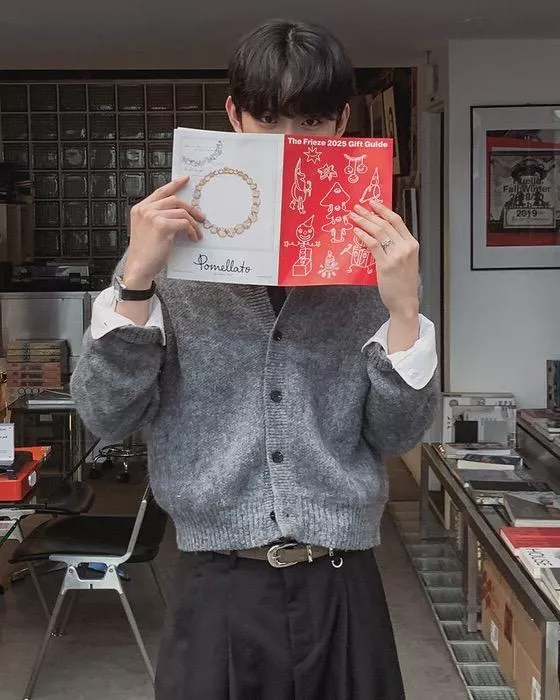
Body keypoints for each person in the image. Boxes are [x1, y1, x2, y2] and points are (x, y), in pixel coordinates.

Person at [71, 19, 439, 700]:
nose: (288, 141)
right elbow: (107, 417)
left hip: (343, 577)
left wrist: (405, 312)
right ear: (234, 116)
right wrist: (137, 283)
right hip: (216, 578)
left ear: (343, 122)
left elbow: (397, 435)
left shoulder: (373, 259)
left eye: (312, 121)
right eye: (268, 119)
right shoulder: (164, 255)